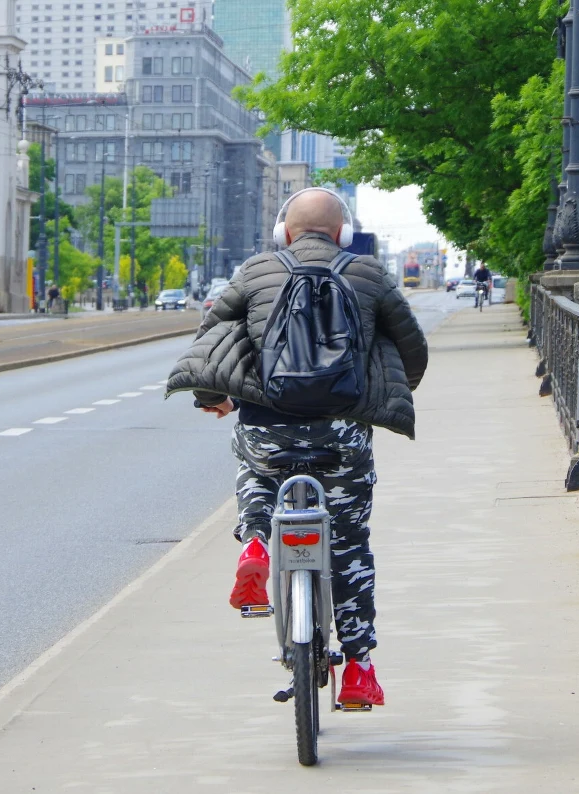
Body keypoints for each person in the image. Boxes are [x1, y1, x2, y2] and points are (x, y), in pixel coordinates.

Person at [167, 188, 428, 707]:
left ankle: (256, 541)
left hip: (268, 426)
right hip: (342, 433)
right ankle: (359, 669)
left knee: (253, 465)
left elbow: (210, 337)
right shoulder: (369, 273)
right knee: (349, 542)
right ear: (343, 233)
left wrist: (214, 398)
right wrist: (381, 398)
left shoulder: (256, 270)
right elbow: (412, 350)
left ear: (283, 232)